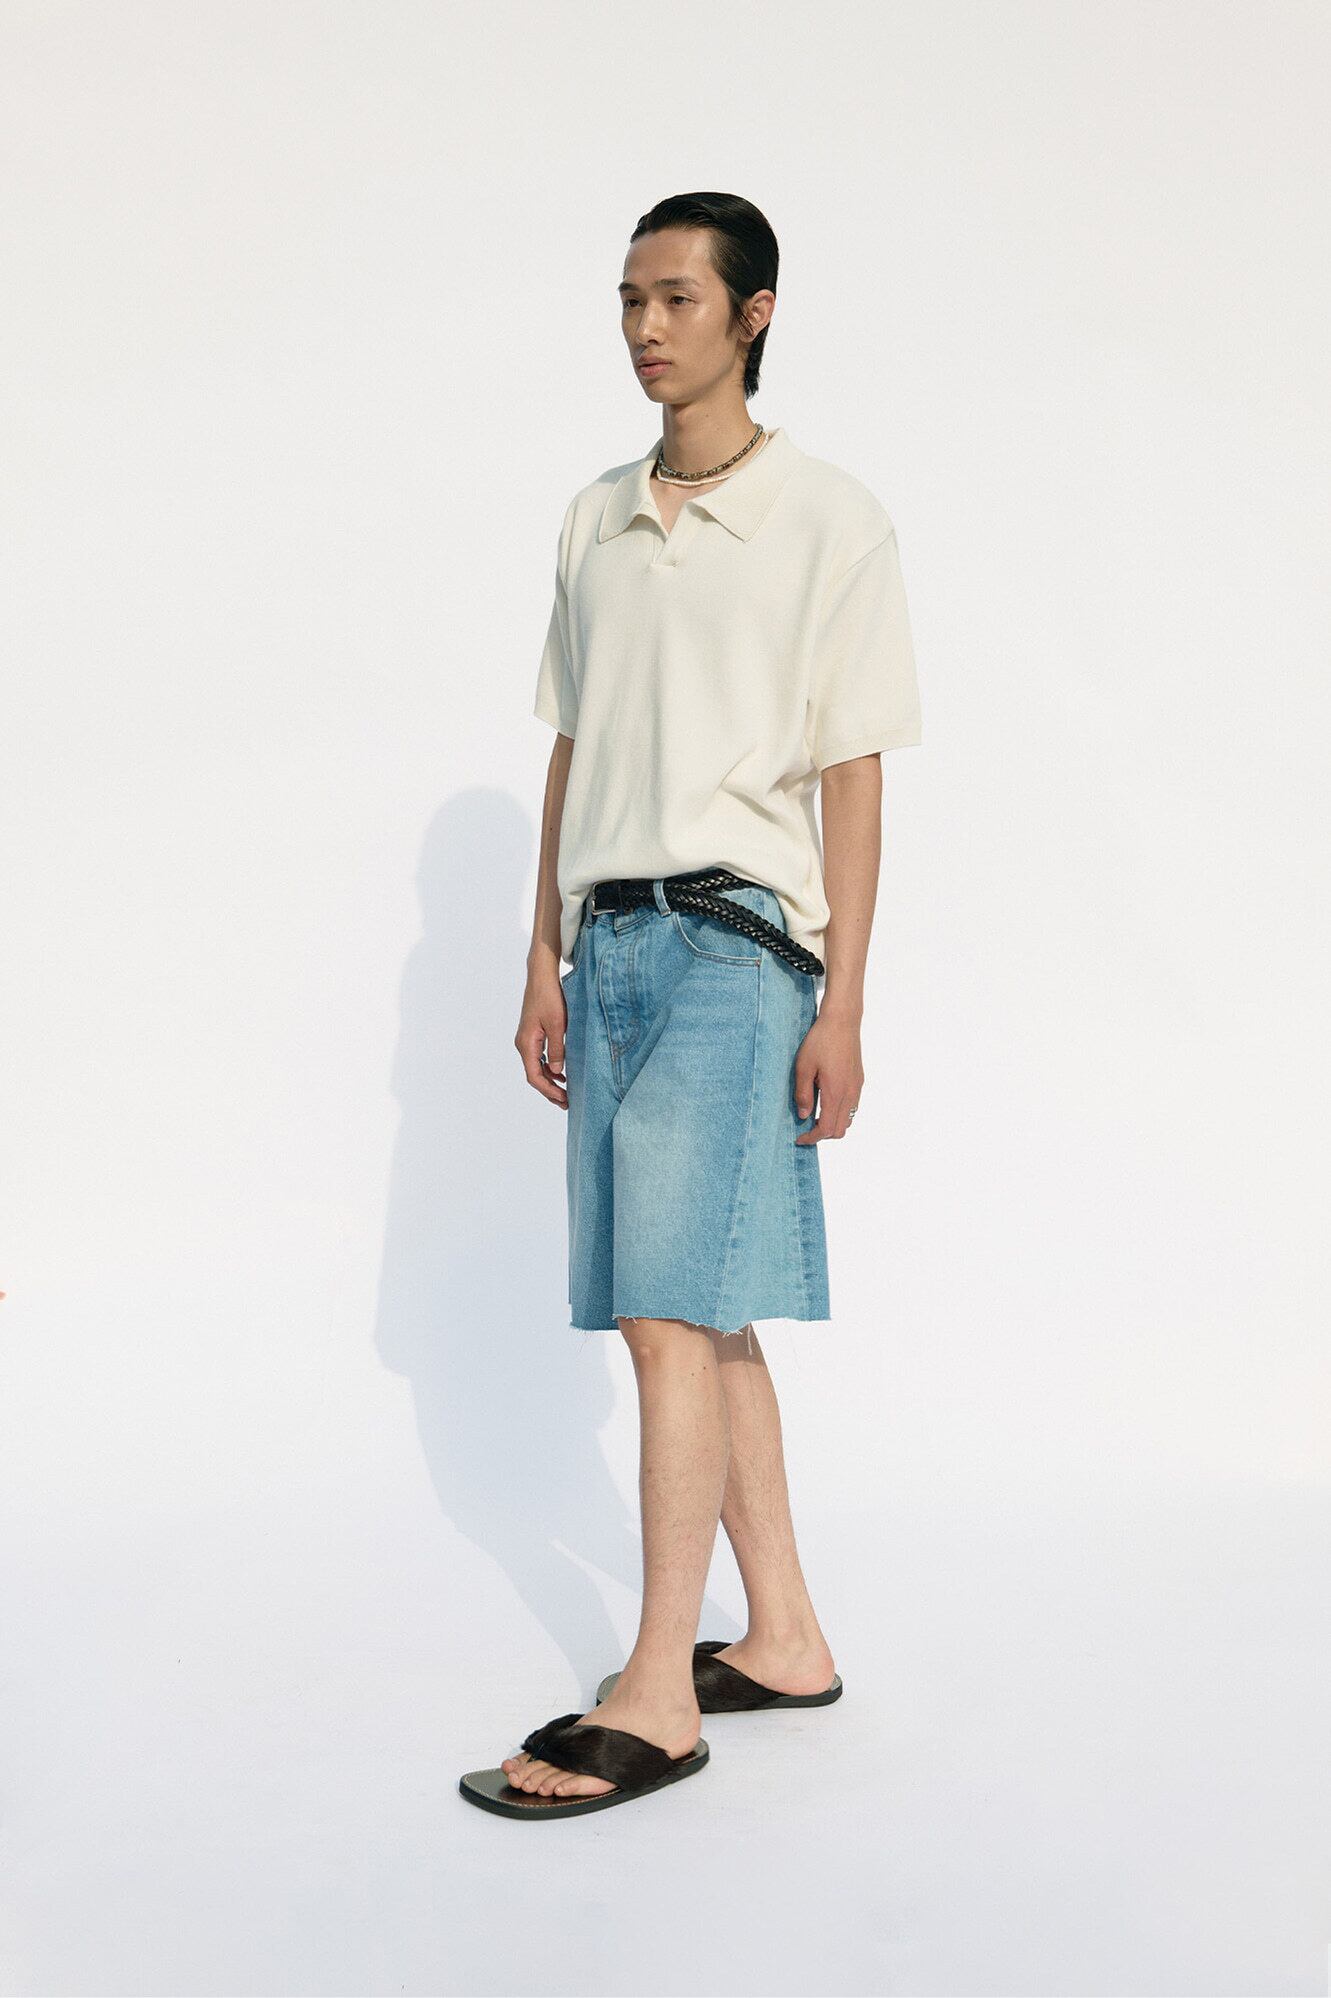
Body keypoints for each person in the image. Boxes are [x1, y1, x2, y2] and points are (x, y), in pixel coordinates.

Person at [458, 192, 921, 1820]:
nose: (647, 327)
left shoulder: (829, 519)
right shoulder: (597, 517)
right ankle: (782, 1637)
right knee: (702, 1312)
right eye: (630, 299)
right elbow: (574, 746)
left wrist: (844, 1000)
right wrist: (541, 950)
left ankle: (658, 1690)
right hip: (612, 949)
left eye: (678, 298)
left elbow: (853, 774)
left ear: (754, 314)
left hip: (737, 949)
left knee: (664, 1310)